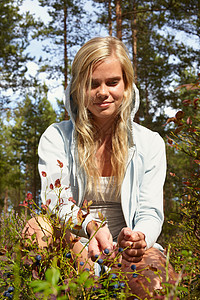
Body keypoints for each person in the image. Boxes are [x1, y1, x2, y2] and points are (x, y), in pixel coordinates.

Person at [23, 36, 176, 298]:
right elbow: (53, 200)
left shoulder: (150, 143)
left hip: (128, 252)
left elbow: (151, 210)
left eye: (112, 82)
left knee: (156, 284)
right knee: (36, 228)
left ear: (127, 86)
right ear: (78, 89)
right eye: (92, 84)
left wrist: (139, 238)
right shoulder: (56, 136)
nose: (103, 92)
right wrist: (90, 225)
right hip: (73, 243)